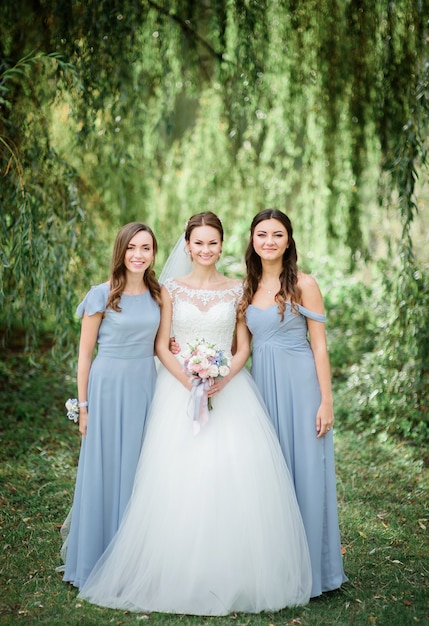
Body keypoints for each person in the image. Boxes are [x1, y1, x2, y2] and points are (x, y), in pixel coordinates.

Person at [78, 211, 312, 615]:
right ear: (187, 246)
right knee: (171, 477)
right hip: (178, 390)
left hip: (229, 392)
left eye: (213, 242)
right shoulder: (168, 290)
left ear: (222, 246)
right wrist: (191, 382)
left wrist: (221, 378)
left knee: (233, 475)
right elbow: (161, 345)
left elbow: (243, 347)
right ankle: (171, 567)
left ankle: (235, 571)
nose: (206, 249)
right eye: (198, 242)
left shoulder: (239, 290)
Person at [239, 208, 348, 598]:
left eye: (277, 234)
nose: (269, 241)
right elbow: (241, 349)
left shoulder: (305, 284)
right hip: (262, 388)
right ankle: (276, 567)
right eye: (262, 234)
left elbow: (319, 345)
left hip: (301, 387)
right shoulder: (245, 288)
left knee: (306, 470)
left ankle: (315, 572)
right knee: (270, 473)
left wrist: (326, 401)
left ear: (289, 240)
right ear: (252, 239)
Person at [60, 222, 162, 589]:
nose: (138, 254)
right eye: (132, 247)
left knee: (137, 468)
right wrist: (83, 406)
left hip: (144, 386)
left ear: (154, 253)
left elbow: (162, 346)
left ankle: (131, 560)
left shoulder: (159, 295)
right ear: (120, 251)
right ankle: (94, 560)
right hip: (106, 387)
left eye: (146, 248)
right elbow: (85, 357)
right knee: (104, 468)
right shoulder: (101, 295)